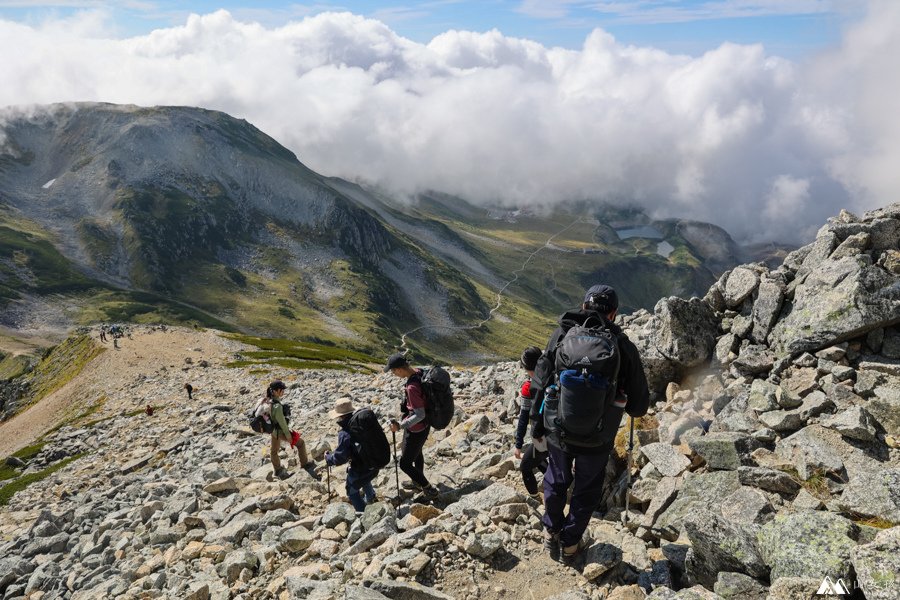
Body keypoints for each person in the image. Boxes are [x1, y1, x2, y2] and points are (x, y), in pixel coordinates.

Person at [529, 284, 649, 565]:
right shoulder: (622, 345)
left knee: (556, 480)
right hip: (599, 435)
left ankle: (551, 531)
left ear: (583, 307)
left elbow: (540, 384)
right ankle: (571, 544)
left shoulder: (561, 336)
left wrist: (536, 425)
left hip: (558, 429)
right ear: (614, 314)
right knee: (586, 489)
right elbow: (638, 407)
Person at [386, 353, 440, 499]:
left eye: (393, 371)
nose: (393, 374)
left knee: (404, 464)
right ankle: (417, 481)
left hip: (416, 428)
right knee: (417, 453)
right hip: (426, 424)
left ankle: (428, 488)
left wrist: (400, 426)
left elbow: (419, 414)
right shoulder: (419, 372)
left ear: (399, 370)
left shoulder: (411, 387)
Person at [324, 397, 380, 511]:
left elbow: (340, 458)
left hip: (362, 468)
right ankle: (371, 498)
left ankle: (363, 514)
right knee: (364, 479)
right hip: (375, 463)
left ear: (340, 416)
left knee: (351, 491)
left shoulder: (345, 433)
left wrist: (328, 458)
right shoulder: (363, 423)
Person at [264, 380, 318, 480]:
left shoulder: (269, 401)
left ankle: (278, 470)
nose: (283, 391)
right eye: (281, 390)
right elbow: (283, 423)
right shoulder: (277, 406)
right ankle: (305, 463)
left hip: (273, 431)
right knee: (301, 443)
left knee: (274, 451)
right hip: (280, 431)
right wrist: (288, 436)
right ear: (276, 391)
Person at [513, 346, 548, 499]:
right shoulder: (554, 376)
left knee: (526, 466)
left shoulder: (529, 387)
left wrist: (518, 444)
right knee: (540, 458)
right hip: (564, 433)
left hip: (543, 436)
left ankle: (535, 499)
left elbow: (523, 417)